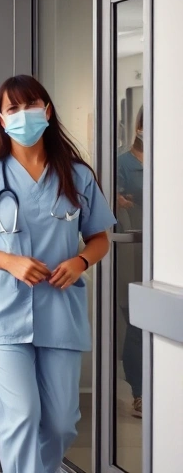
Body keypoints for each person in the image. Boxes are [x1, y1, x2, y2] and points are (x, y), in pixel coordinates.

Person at [0, 75, 116, 473]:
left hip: (60, 310)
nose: (23, 115)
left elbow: (99, 239)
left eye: (30, 106)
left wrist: (80, 262)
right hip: (2, 312)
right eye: (13, 109)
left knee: (61, 423)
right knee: (20, 416)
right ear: (1, 120)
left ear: (47, 111)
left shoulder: (77, 175)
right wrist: (10, 261)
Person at [116, 107, 144, 417]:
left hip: (163, 253)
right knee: (135, 323)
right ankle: (138, 392)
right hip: (131, 252)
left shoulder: (168, 161)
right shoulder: (122, 164)